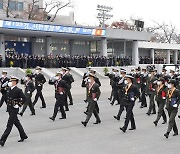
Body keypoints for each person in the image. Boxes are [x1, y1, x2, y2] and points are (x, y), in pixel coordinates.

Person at [0, 76, 27, 147]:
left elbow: (24, 98)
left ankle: (2, 140)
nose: (10, 82)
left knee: (9, 125)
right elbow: (6, 97)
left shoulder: (18, 90)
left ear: (15, 82)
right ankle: (23, 135)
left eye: (11, 81)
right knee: (17, 123)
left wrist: (19, 104)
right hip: (10, 109)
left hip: (14, 109)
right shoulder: (9, 89)